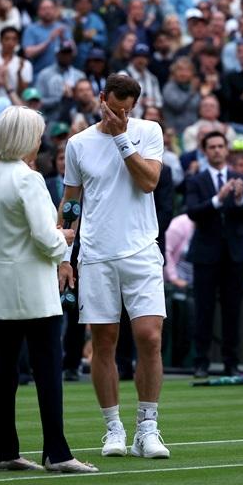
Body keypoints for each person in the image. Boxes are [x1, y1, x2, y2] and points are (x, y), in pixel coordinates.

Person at [0, 106, 96, 473]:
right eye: (38, 136)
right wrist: (66, 237)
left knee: (3, 367)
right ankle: (56, 452)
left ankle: (4, 450)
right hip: (31, 287)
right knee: (47, 368)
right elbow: (46, 237)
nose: (40, 142)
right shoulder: (28, 179)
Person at [58, 74, 169, 459]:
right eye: (113, 107)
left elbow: (149, 181)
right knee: (104, 341)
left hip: (142, 251)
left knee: (150, 338)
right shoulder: (78, 144)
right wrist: (63, 256)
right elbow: (71, 202)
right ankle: (113, 428)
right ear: (101, 98)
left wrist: (122, 139)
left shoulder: (149, 131)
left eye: (126, 109)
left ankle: (147, 428)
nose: (119, 114)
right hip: (96, 255)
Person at [185, 131, 243, 378]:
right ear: (205, 151)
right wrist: (217, 199)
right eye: (212, 147)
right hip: (205, 253)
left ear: (226, 149)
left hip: (234, 253)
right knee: (204, 309)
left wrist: (240, 198)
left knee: (232, 310)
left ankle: (231, 362)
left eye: (220, 146)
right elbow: (192, 211)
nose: (216, 150)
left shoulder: (240, 178)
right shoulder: (196, 180)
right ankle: (201, 362)